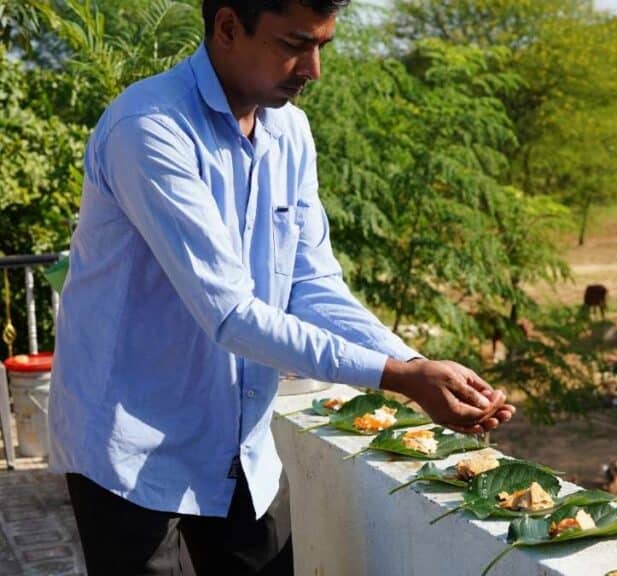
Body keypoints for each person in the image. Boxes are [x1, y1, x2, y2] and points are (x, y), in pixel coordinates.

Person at [47, 1, 514, 574]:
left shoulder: (289, 132)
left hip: (239, 443)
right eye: (294, 44)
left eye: (322, 46)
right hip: (131, 444)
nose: (313, 69)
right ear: (226, 28)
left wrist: (413, 361)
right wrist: (400, 380)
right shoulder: (149, 129)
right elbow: (232, 314)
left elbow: (312, 285)